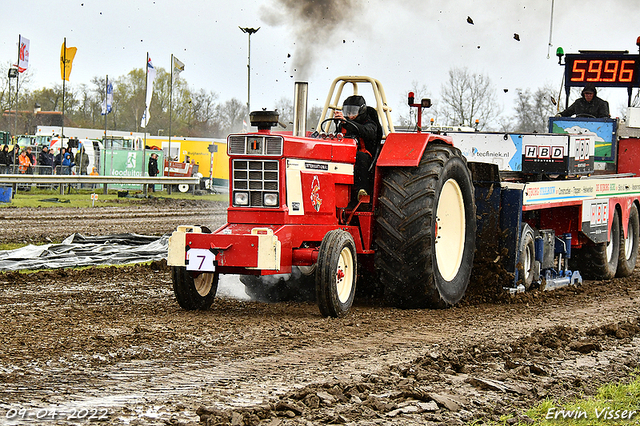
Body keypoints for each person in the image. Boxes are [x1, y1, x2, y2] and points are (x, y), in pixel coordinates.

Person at [334, 95, 382, 208]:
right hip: (345, 155)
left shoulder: (370, 123)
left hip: (364, 157)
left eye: (353, 112)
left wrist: (346, 123)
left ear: (361, 111)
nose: (350, 116)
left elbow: (367, 132)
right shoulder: (343, 125)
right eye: (347, 112)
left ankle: (362, 190)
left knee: (360, 157)